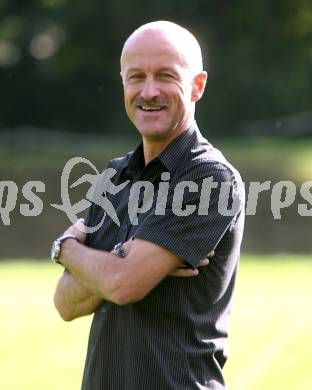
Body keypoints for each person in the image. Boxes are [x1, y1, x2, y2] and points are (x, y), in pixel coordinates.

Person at [52, 20, 245, 390]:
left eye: (166, 76)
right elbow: (66, 303)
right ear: (123, 83)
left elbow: (123, 284)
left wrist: (67, 248)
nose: (149, 91)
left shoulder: (208, 178)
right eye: (136, 76)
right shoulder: (114, 175)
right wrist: (115, 259)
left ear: (197, 86)